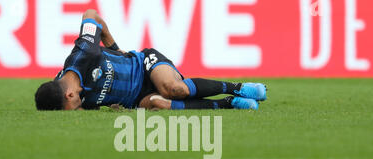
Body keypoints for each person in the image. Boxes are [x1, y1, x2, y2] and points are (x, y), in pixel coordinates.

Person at [34, 9, 267, 111]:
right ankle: (228, 104)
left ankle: (239, 89)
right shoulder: (67, 93)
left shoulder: (85, 52)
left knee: (173, 89)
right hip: (137, 98)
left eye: (71, 108)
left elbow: (91, 15)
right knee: (159, 103)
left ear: (70, 95)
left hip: (143, 65)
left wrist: (117, 49)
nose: (76, 111)